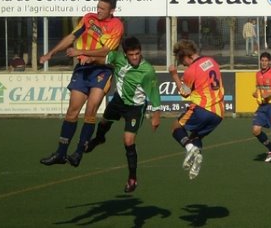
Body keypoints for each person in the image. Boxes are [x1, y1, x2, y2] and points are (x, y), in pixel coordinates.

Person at [39, 0, 124, 168]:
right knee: (72, 111)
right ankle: (61, 153)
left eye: (102, 8)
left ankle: (78, 152)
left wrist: (81, 52)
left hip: (102, 70)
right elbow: (72, 37)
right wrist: (51, 53)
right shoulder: (88, 18)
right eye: (98, 7)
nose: (98, 10)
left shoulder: (116, 26)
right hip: (83, 69)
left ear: (112, 11)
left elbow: (107, 51)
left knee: (91, 109)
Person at [83, 36, 162, 193]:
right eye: (131, 54)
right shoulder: (118, 58)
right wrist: (90, 58)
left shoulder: (147, 70)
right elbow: (104, 58)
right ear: (125, 54)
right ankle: (99, 139)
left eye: (137, 54)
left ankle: (132, 178)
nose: (135, 57)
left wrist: (156, 115)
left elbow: (154, 94)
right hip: (118, 101)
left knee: (128, 141)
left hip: (135, 107)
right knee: (104, 122)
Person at [168, 39, 224, 180]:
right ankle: (197, 157)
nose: (182, 64)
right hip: (218, 113)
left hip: (202, 108)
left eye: (181, 60)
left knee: (175, 127)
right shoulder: (212, 61)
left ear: (186, 55)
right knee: (195, 136)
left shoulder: (191, 70)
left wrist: (174, 75)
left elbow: (184, 92)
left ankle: (190, 149)